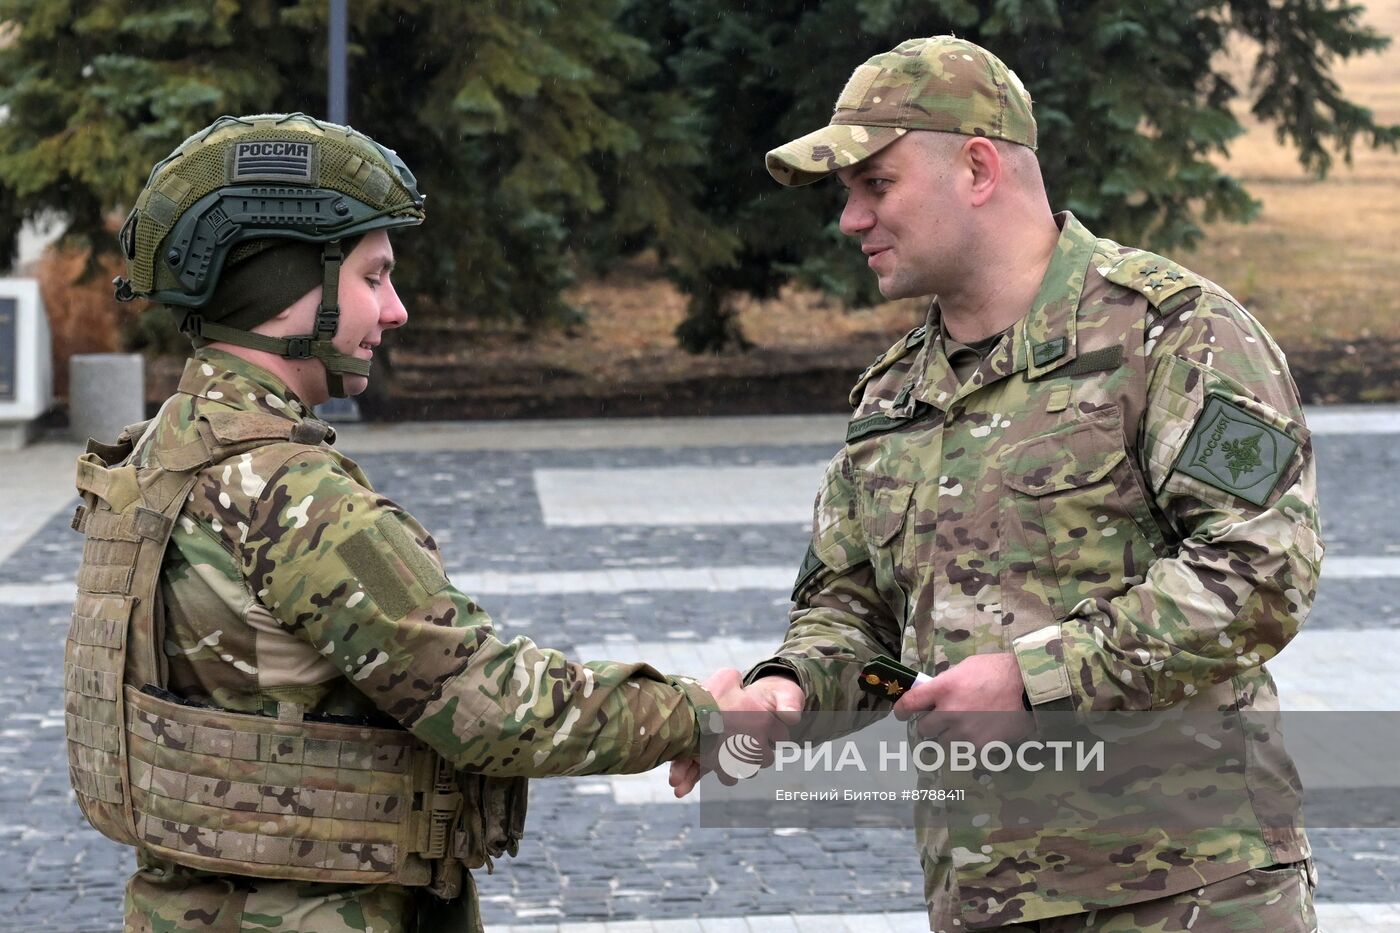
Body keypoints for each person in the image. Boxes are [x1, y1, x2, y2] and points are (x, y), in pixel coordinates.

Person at [63, 113, 784, 933]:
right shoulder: (291, 497)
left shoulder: (158, 455)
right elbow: (492, 705)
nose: (396, 309)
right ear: (286, 285)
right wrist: (699, 713)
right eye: (374, 276)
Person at [672, 36, 1323, 931]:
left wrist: (1034, 680)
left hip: (1186, 892)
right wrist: (787, 693)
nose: (850, 220)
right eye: (846, 194)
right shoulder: (894, 394)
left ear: (977, 168)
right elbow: (853, 612)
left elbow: (1261, 571)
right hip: (985, 896)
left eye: (876, 185)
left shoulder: (1178, 335)